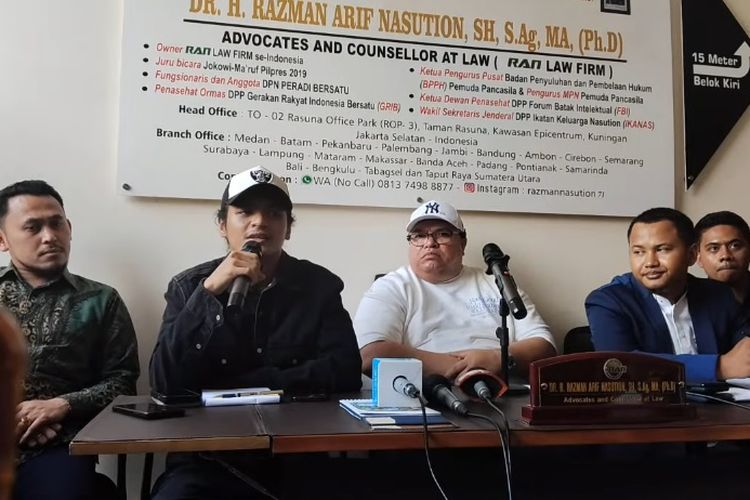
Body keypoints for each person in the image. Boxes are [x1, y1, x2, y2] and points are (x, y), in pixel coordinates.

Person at [149, 166, 362, 499]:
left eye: (274, 213)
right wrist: (209, 294)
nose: (260, 222)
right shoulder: (188, 287)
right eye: (245, 212)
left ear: (288, 228)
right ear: (222, 224)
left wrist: (251, 383)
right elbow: (164, 382)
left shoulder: (319, 286)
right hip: (209, 458)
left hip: (299, 452)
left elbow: (346, 370)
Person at [0, 180, 139, 500]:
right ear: (3, 239)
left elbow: (123, 383)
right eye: (33, 227)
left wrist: (61, 406)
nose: (49, 236)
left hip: (58, 446)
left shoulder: (101, 300)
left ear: (69, 228)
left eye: (56, 223)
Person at [354, 200, 556, 382]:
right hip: (429, 393)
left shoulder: (497, 283)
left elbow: (545, 346)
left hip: (503, 389)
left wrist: (497, 358)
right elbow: (369, 354)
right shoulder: (391, 286)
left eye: (443, 234)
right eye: (419, 236)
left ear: (463, 243)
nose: (430, 243)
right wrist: (461, 367)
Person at [586, 207, 750, 383]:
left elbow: (744, 355)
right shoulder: (607, 301)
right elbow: (619, 366)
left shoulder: (719, 295)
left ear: (691, 255)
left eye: (662, 249)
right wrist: (720, 366)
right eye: (639, 252)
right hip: (646, 400)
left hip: (724, 399)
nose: (650, 262)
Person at [695, 210, 750, 306]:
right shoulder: (690, 302)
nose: (725, 256)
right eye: (714, 248)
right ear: (697, 257)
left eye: (735, 246)